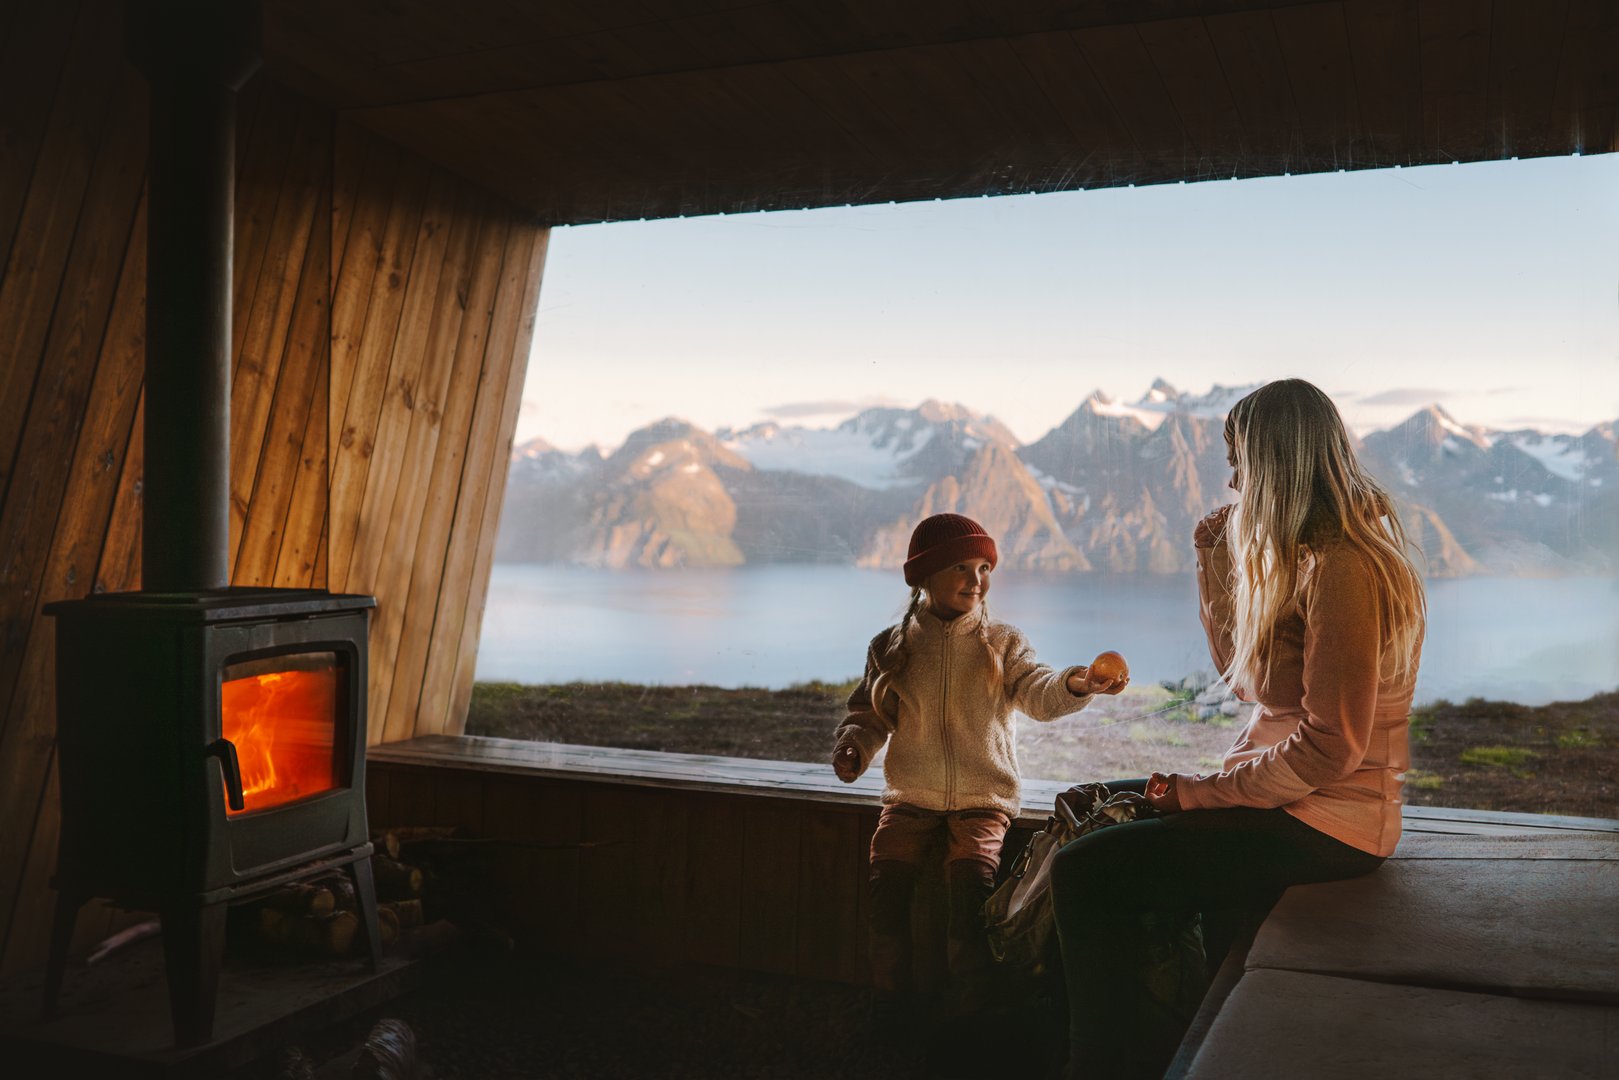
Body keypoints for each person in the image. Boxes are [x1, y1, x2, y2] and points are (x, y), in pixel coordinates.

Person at [1048, 378, 1427, 1079]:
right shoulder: (1314, 556)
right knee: (1091, 804)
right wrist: (1214, 565)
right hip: (1295, 802)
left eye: (1238, 460)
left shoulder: (1346, 566)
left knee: (1085, 872)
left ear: (1276, 464)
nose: (1229, 478)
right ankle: (1157, 1044)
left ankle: (1099, 1066)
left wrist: (1193, 796)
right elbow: (1251, 684)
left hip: (1327, 822)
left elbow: (1329, 748)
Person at [832, 512, 1130, 1021]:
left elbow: (1037, 692)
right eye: (961, 568)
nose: (977, 580)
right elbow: (870, 712)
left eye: (984, 567)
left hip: (983, 800)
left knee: (971, 895)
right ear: (925, 577)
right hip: (909, 797)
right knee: (886, 889)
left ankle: (969, 1010)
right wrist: (855, 747)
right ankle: (889, 1000)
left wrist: (1076, 684)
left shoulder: (1003, 643)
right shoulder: (892, 647)